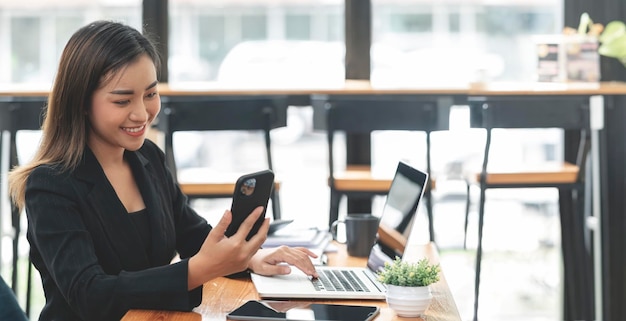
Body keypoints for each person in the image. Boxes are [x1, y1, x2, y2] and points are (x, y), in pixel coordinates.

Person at [7, 20, 318, 321]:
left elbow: (191, 233)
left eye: (150, 94)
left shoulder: (148, 158)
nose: (142, 113)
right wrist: (197, 270)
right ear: (81, 103)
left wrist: (250, 258)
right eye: (122, 100)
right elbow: (91, 296)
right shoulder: (50, 185)